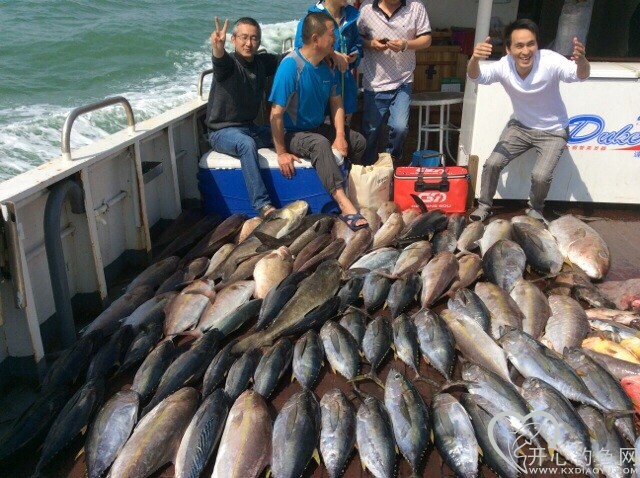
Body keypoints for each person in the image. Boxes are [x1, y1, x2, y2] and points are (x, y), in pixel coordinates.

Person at [468, 18, 590, 222]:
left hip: (554, 131)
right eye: (519, 46)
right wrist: (474, 59)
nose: (526, 51)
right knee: (492, 163)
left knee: (540, 176)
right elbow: (477, 77)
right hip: (520, 127)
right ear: (508, 49)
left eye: (531, 44)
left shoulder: (550, 60)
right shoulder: (504, 65)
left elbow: (580, 76)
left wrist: (582, 61)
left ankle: (535, 209)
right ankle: (484, 206)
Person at [269, 12, 369, 230]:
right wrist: (281, 152)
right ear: (316, 39)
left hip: (316, 128)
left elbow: (336, 103)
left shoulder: (326, 66)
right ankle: (344, 204)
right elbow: (275, 114)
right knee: (320, 144)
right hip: (292, 132)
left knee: (358, 141)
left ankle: (347, 186)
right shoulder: (291, 67)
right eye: (332, 34)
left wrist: (340, 136)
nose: (336, 38)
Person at [206, 16, 279, 219]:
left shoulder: (261, 62)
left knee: (282, 132)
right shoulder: (229, 65)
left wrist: (325, 53)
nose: (249, 43)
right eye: (244, 37)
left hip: (250, 128)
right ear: (233, 39)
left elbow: (288, 58)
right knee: (246, 144)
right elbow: (219, 60)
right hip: (221, 132)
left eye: (254, 38)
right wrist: (217, 48)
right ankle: (263, 206)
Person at [357, 0, 432, 165]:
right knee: (371, 131)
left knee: (400, 128)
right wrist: (371, 44)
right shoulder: (366, 8)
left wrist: (406, 44)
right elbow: (356, 38)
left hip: (403, 81)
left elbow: (426, 39)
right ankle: (368, 168)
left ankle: (390, 162)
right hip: (374, 82)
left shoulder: (416, 7)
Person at [294, 0, 363, 118]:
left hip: (345, 89)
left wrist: (353, 56)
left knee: (343, 128)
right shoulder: (311, 19)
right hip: (320, 90)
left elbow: (357, 44)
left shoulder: (351, 16)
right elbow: (301, 48)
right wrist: (332, 54)